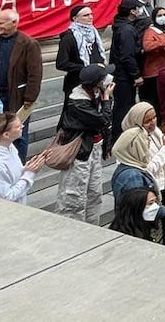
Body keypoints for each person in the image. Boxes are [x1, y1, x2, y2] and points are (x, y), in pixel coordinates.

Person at [54, 64, 115, 224]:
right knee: (75, 196)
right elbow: (102, 120)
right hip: (80, 153)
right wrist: (107, 100)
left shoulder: (95, 94)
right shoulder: (78, 102)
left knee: (94, 192)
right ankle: (72, 227)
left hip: (93, 149)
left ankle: (92, 226)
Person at [0, 10, 43, 160]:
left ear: (14, 23)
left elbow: (35, 74)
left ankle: (18, 165)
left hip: (17, 98)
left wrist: (30, 98)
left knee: (18, 134)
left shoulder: (29, 44)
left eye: (0, 23)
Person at [56, 2, 109, 95]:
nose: (90, 17)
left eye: (91, 14)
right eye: (86, 15)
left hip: (96, 81)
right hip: (77, 83)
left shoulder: (94, 33)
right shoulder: (69, 37)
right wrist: (86, 68)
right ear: (75, 18)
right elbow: (61, 63)